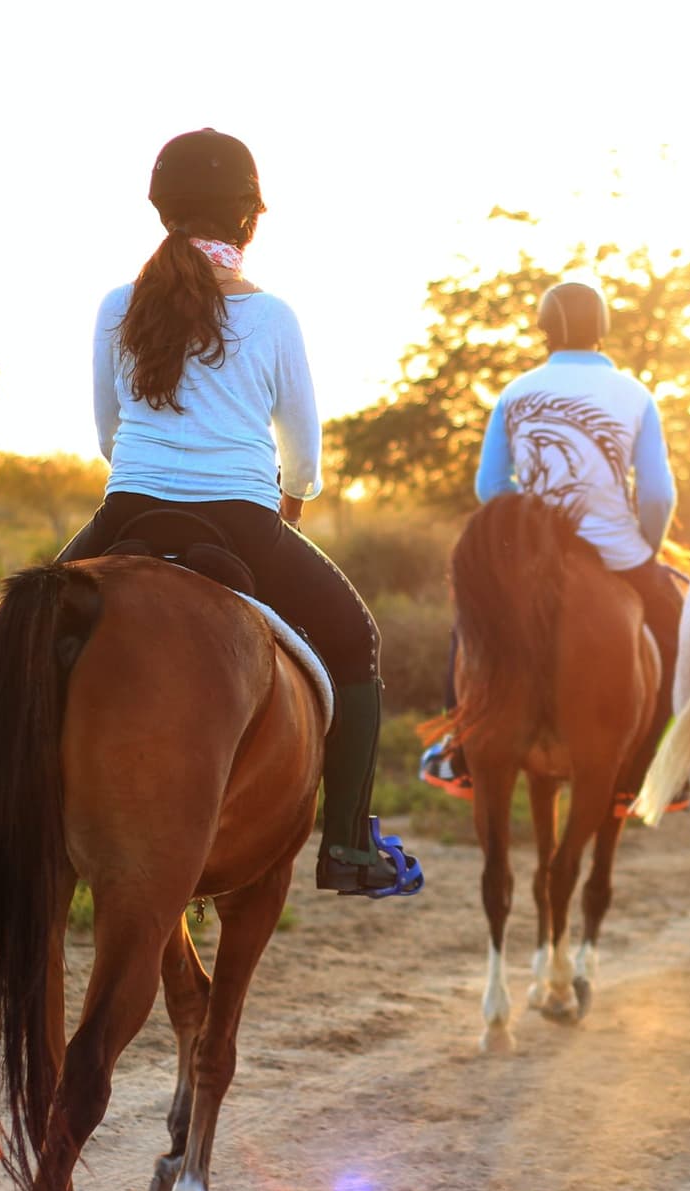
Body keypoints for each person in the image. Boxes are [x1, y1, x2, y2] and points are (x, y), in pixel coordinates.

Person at [57, 127, 415, 897]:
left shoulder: (117, 305)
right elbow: (305, 452)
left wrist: (156, 469)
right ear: (249, 219)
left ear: (163, 213)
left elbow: (105, 432)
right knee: (356, 642)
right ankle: (350, 847)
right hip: (246, 522)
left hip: (126, 512)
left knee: (19, 636)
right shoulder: (274, 317)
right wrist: (295, 497)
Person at [420, 280, 686, 816]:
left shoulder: (515, 393)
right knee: (679, 633)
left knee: (472, 629)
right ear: (603, 330)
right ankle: (654, 770)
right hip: (616, 551)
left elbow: (490, 487)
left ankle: (459, 749)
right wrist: (647, 550)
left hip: (536, 558)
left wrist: (530, 531)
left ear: (543, 331)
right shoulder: (636, 395)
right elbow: (658, 494)